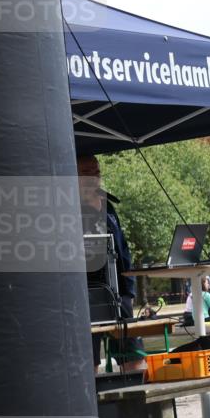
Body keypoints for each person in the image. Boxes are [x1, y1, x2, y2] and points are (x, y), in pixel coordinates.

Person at [77, 154, 145, 371]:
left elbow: (123, 248)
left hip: (118, 294)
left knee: (135, 359)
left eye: (96, 172)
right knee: (88, 365)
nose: (94, 177)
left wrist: (129, 291)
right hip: (85, 296)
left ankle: (136, 404)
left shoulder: (108, 204)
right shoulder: (66, 206)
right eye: (87, 172)